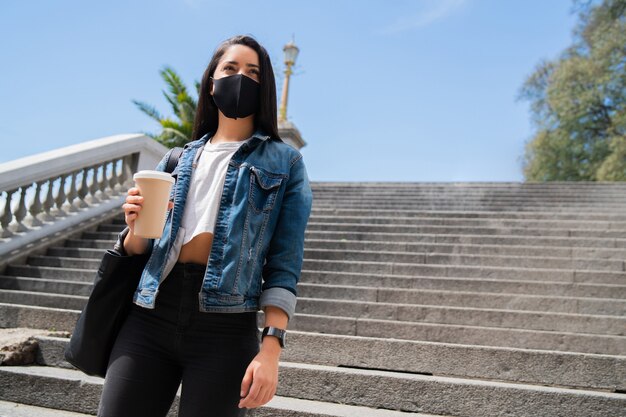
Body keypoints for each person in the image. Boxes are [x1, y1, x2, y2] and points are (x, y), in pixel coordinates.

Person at [97, 34, 313, 417]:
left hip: (226, 328)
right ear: (212, 83)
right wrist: (133, 227)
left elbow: (285, 264)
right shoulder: (176, 160)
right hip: (149, 313)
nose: (240, 78)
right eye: (230, 69)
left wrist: (271, 348)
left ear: (264, 88)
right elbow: (140, 248)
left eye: (253, 72)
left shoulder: (285, 164)